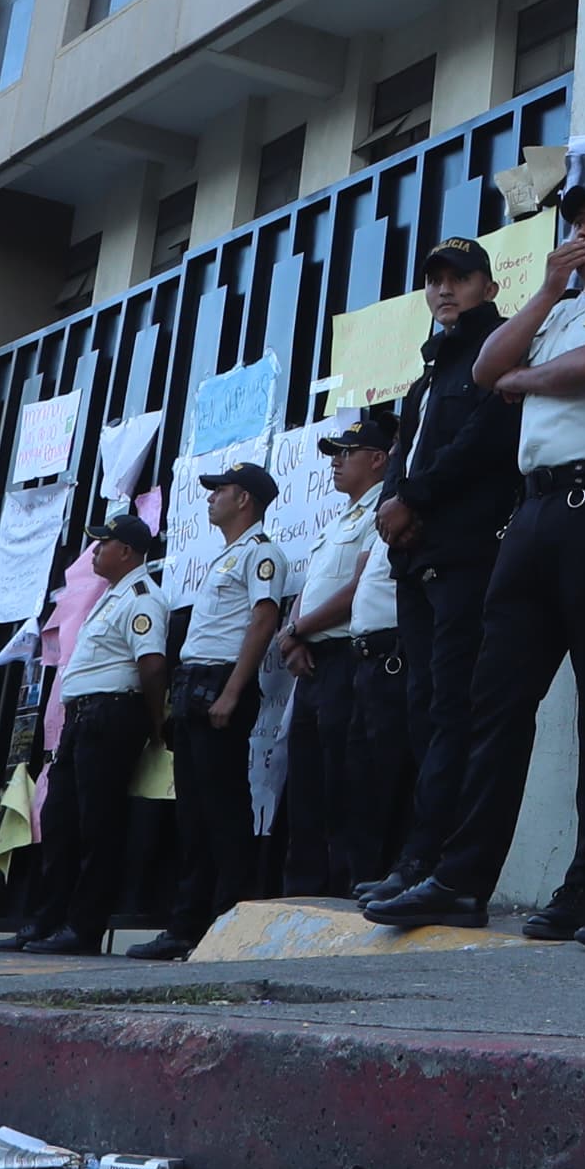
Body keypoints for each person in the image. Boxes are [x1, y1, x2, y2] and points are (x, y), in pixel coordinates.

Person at [368, 182, 585, 937]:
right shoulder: (555, 307)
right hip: (530, 515)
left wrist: (517, 382)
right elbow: (485, 366)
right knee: (491, 703)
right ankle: (461, 879)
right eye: (578, 224)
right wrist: (545, 290)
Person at [368, 241, 519, 904]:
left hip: (465, 556)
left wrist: (415, 499)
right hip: (415, 560)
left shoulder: (498, 352)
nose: (446, 289)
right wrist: (391, 501)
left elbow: (484, 442)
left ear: (488, 286)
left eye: (460, 277)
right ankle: (414, 857)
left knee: (456, 708)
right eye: (435, 279)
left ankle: (439, 862)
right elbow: (403, 453)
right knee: (423, 708)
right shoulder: (428, 373)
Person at [130, 463, 289, 959]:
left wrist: (233, 692)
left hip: (220, 684)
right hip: (195, 685)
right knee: (194, 815)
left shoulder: (261, 552)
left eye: (220, 489)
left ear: (245, 499)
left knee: (224, 812)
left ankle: (230, 920)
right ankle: (188, 926)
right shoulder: (226, 557)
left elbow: (264, 621)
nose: (210, 497)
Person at [0, 515, 172, 955]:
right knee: (59, 823)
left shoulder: (142, 596)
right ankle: (46, 921)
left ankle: (83, 928)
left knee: (97, 826)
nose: (94, 552)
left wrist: (155, 724)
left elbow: (151, 665)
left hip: (111, 716)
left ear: (127, 551)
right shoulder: (109, 596)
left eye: (103, 544)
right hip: (83, 719)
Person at [275, 419, 403, 898]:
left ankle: (343, 883)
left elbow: (358, 589)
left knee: (343, 778)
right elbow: (309, 591)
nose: (336, 461)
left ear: (378, 458)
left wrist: (295, 631)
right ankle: (302, 888)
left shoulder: (381, 512)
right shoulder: (338, 521)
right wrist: (295, 636)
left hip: (348, 655)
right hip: (311, 658)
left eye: (347, 452)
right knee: (304, 779)